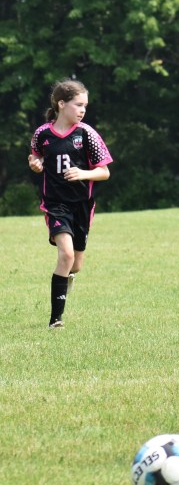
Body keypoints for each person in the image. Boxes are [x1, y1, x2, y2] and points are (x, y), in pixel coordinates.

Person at [28, 79, 113, 328]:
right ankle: (56, 319)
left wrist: (83, 173)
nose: (83, 110)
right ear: (61, 104)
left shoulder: (87, 134)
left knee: (75, 264)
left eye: (85, 106)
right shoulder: (42, 134)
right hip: (55, 204)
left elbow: (104, 172)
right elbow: (35, 155)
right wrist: (34, 163)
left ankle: (68, 278)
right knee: (65, 255)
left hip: (82, 206)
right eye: (78, 105)